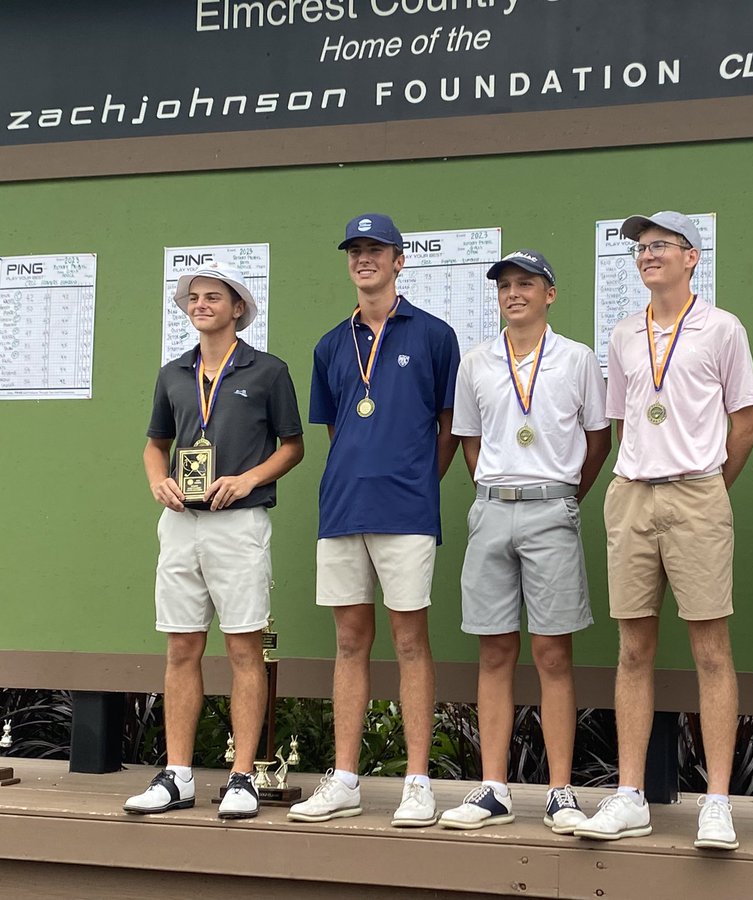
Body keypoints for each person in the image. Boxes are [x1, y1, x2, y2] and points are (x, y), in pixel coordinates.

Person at [574, 211, 753, 850]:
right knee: (632, 648)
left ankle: (717, 801)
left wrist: (706, 487)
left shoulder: (723, 329)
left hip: (697, 496)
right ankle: (628, 795)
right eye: (640, 247)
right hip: (631, 498)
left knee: (711, 649)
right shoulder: (624, 334)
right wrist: (647, 477)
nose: (647, 255)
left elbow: (747, 424)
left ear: (691, 258)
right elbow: (624, 421)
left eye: (661, 246)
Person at [288, 213, 460, 825]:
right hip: (341, 510)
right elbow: (339, 430)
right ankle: (346, 779)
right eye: (355, 251)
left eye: (375, 250)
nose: (364, 259)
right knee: (349, 642)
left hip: (408, 511)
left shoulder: (436, 336)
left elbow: (448, 429)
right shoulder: (330, 345)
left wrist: (415, 483)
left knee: (411, 640)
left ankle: (417, 781)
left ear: (399, 260)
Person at [440, 249, 611, 833]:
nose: (514, 293)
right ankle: (493, 788)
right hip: (491, 511)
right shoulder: (476, 362)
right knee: (493, 651)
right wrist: (494, 491)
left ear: (549, 294)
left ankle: (561, 790)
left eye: (527, 284)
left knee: (552, 653)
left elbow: (598, 440)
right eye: (505, 285)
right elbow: (470, 441)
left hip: (552, 509)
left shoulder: (578, 359)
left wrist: (566, 498)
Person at [125, 264, 304, 819]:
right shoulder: (173, 373)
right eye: (193, 298)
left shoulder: (269, 371)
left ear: (237, 309)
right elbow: (156, 445)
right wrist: (159, 480)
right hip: (181, 522)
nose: (200, 304)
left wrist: (250, 477)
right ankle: (177, 775)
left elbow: (292, 446)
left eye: (213, 297)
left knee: (245, 648)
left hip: (240, 522)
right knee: (181, 647)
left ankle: (242, 777)